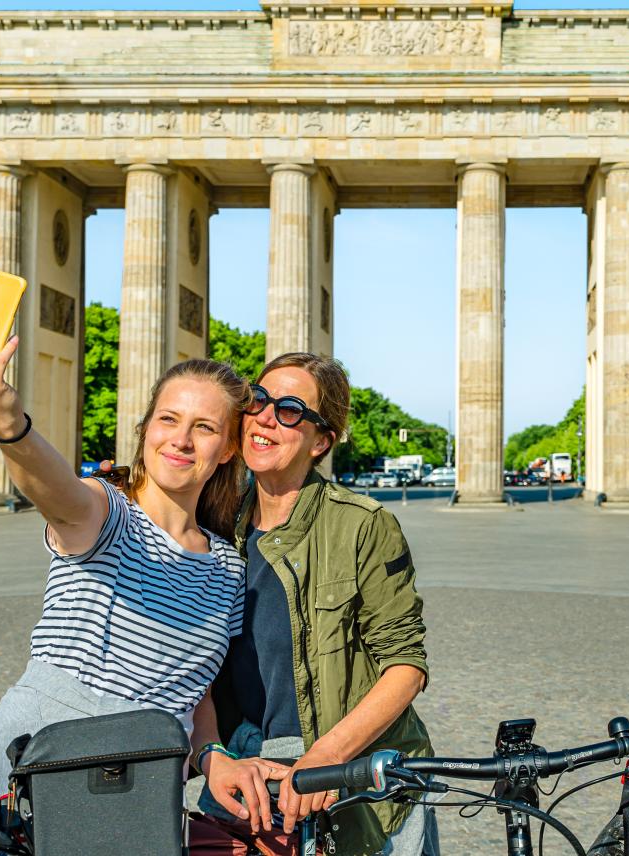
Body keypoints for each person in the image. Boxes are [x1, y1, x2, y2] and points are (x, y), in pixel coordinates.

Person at [0, 309, 283, 799]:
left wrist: (213, 753)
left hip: (141, 789)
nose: (180, 439)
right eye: (168, 419)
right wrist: (7, 424)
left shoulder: (228, 567)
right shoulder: (109, 515)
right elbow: (58, 493)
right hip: (31, 761)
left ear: (227, 449)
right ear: (146, 430)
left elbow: (195, 693)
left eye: (204, 427)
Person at [191, 352, 437, 856]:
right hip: (247, 778)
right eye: (258, 400)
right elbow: (194, 668)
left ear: (321, 440)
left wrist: (326, 758)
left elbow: (405, 667)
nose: (264, 416)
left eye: (290, 410)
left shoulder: (362, 525)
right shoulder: (212, 525)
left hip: (352, 784)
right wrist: (212, 755)